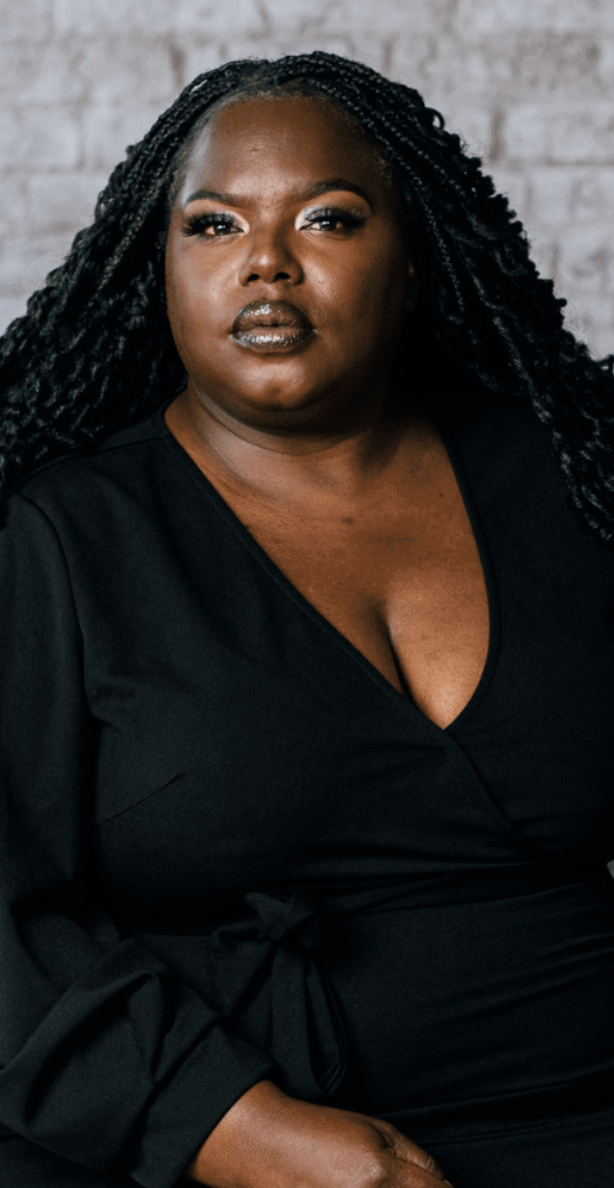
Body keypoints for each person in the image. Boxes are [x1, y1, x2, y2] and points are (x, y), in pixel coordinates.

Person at [0, 50, 613, 1188]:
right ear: (158, 268)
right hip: (208, 1140)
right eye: (214, 225)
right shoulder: (66, 534)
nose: (266, 262)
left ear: (414, 263)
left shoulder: (574, 483)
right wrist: (236, 1130)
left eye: (327, 219)